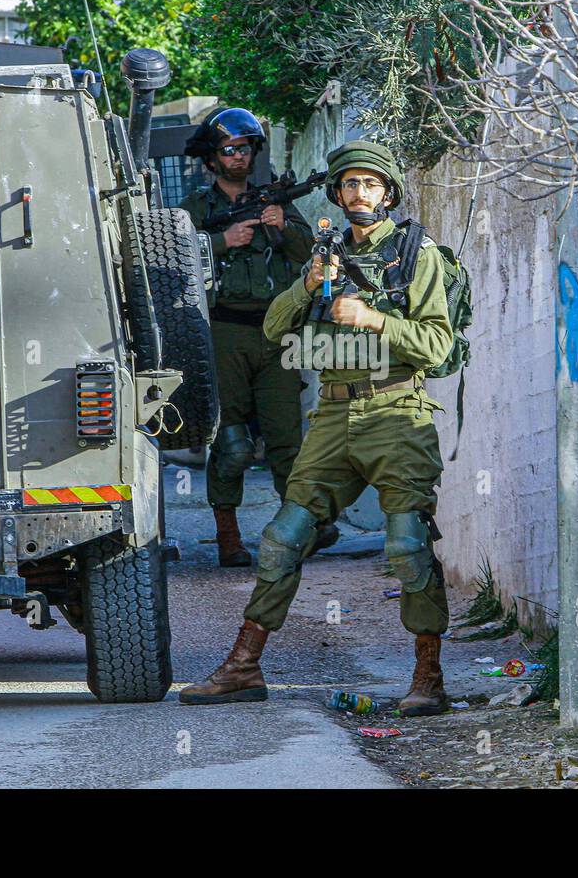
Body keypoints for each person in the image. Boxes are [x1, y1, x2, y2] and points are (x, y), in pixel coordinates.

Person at [179, 140, 455, 716]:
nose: (359, 194)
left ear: (389, 194)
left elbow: (437, 343)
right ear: (336, 194)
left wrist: (374, 317)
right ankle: (243, 666)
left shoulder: (415, 252)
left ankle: (427, 676)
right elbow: (278, 330)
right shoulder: (323, 256)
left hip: (396, 412)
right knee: (283, 537)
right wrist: (307, 285)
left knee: (406, 544)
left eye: (371, 185)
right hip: (331, 414)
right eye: (350, 184)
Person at [179, 107, 338, 567]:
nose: (238, 156)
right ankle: (228, 537)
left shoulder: (277, 202)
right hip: (223, 331)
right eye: (229, 150)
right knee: (232, 444)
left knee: (287, 438)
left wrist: (281, 226)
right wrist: (222, 241)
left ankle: (300, 531)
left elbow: (314, 253)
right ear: (212, 159)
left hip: (276, 331)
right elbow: (167, 257)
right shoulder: (195, 209)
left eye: (245, 148)